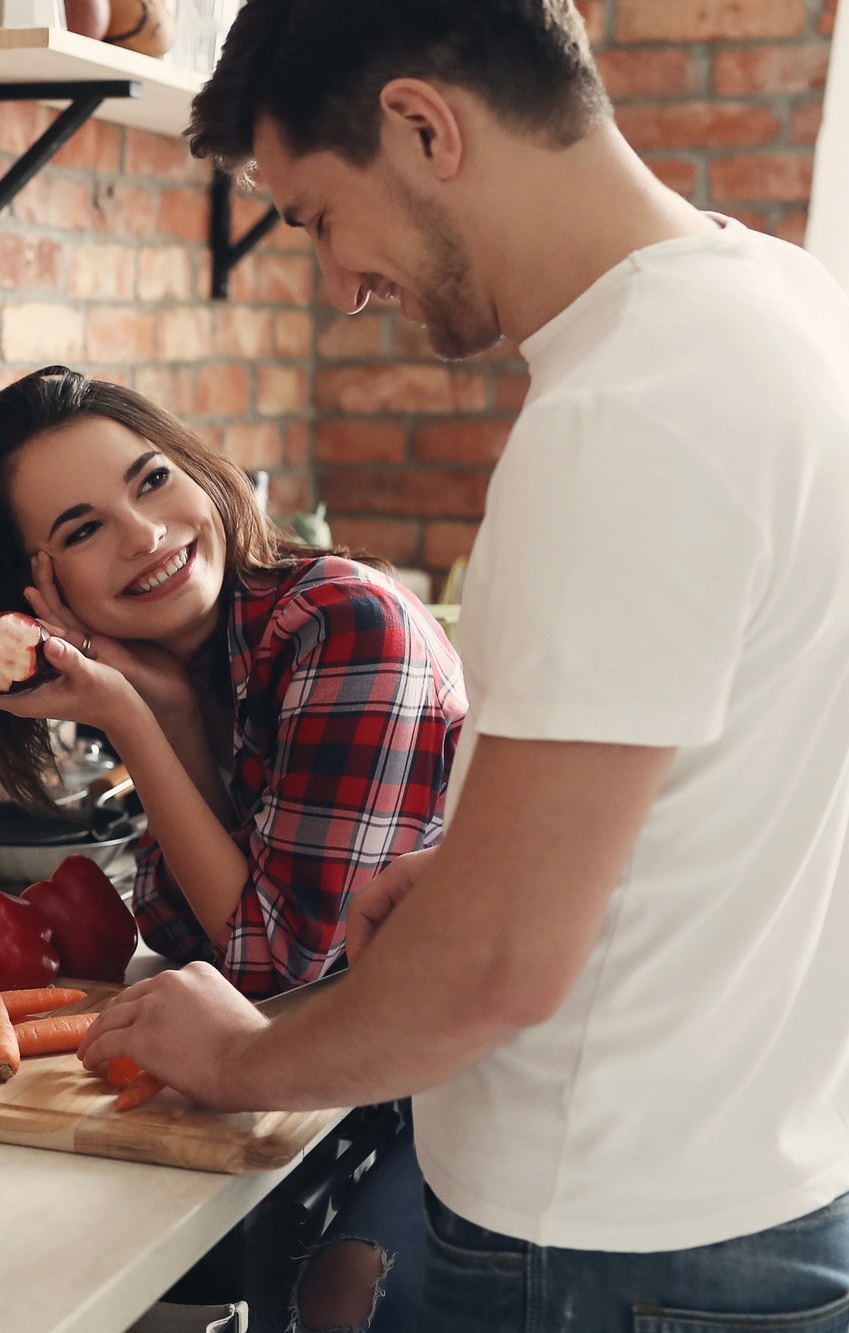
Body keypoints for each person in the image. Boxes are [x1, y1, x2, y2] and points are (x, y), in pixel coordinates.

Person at [77, 2, 849, 1330]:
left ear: (424, 127)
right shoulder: (786, 307)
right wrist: (484, 858)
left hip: (602, 1253)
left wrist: (248, 1056)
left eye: (319, 217)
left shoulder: (628, 415)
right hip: (756, 1198)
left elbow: (501, 969)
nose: (341, 284)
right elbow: (748, 759)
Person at [0, 366, 465, 1332]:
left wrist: (133, 720)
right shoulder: (212, 666)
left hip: (471, 1104)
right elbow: (194, 934)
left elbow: (273, 966)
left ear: (198, 471)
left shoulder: (347, 627)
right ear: (37, 589)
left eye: (150, 480)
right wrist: (173, 711)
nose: (144, 533)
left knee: (346, 1296)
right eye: (82, 529)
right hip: (361, 1091)